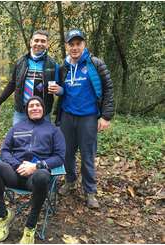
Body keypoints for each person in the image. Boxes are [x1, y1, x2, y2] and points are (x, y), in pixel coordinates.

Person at [0, 96, 66, 243]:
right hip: (15, 173)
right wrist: (17, 165)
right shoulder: (17, 128)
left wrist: (36, 166)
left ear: (43, 109)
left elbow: (60, 157)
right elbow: (4, 151)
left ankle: (30, 227)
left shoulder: (54, 131)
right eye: (31, 106)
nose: (35, 108)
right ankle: (3, 216)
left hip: (36, 178)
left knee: (42, 176)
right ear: (26, 110)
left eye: (38, 105)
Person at [55, 29, 114, 208]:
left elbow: (108, 89)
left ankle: (90, 192)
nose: (75, 47)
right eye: (71, 44)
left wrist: (105, 116)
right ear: (66, 46)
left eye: (78, 44)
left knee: (88, 155)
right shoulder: (63, 67)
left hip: (88, 117)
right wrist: (58, 90)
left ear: (84, 45)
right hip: (67, 116)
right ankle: (70, 182)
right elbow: (61, 89)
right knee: (67, 153)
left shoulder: (95, 64)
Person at [0, 30, 63, 125]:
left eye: (43, 41)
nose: (39, 43)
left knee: (42, 139)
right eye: (36, 40)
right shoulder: (20, 62)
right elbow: (12, 84)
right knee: (19, 138)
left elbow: (60, 89)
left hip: (43, 112)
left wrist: (59, 90)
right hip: (22, 112)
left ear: (47, 44)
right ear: (31, 42)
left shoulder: (53, 65)